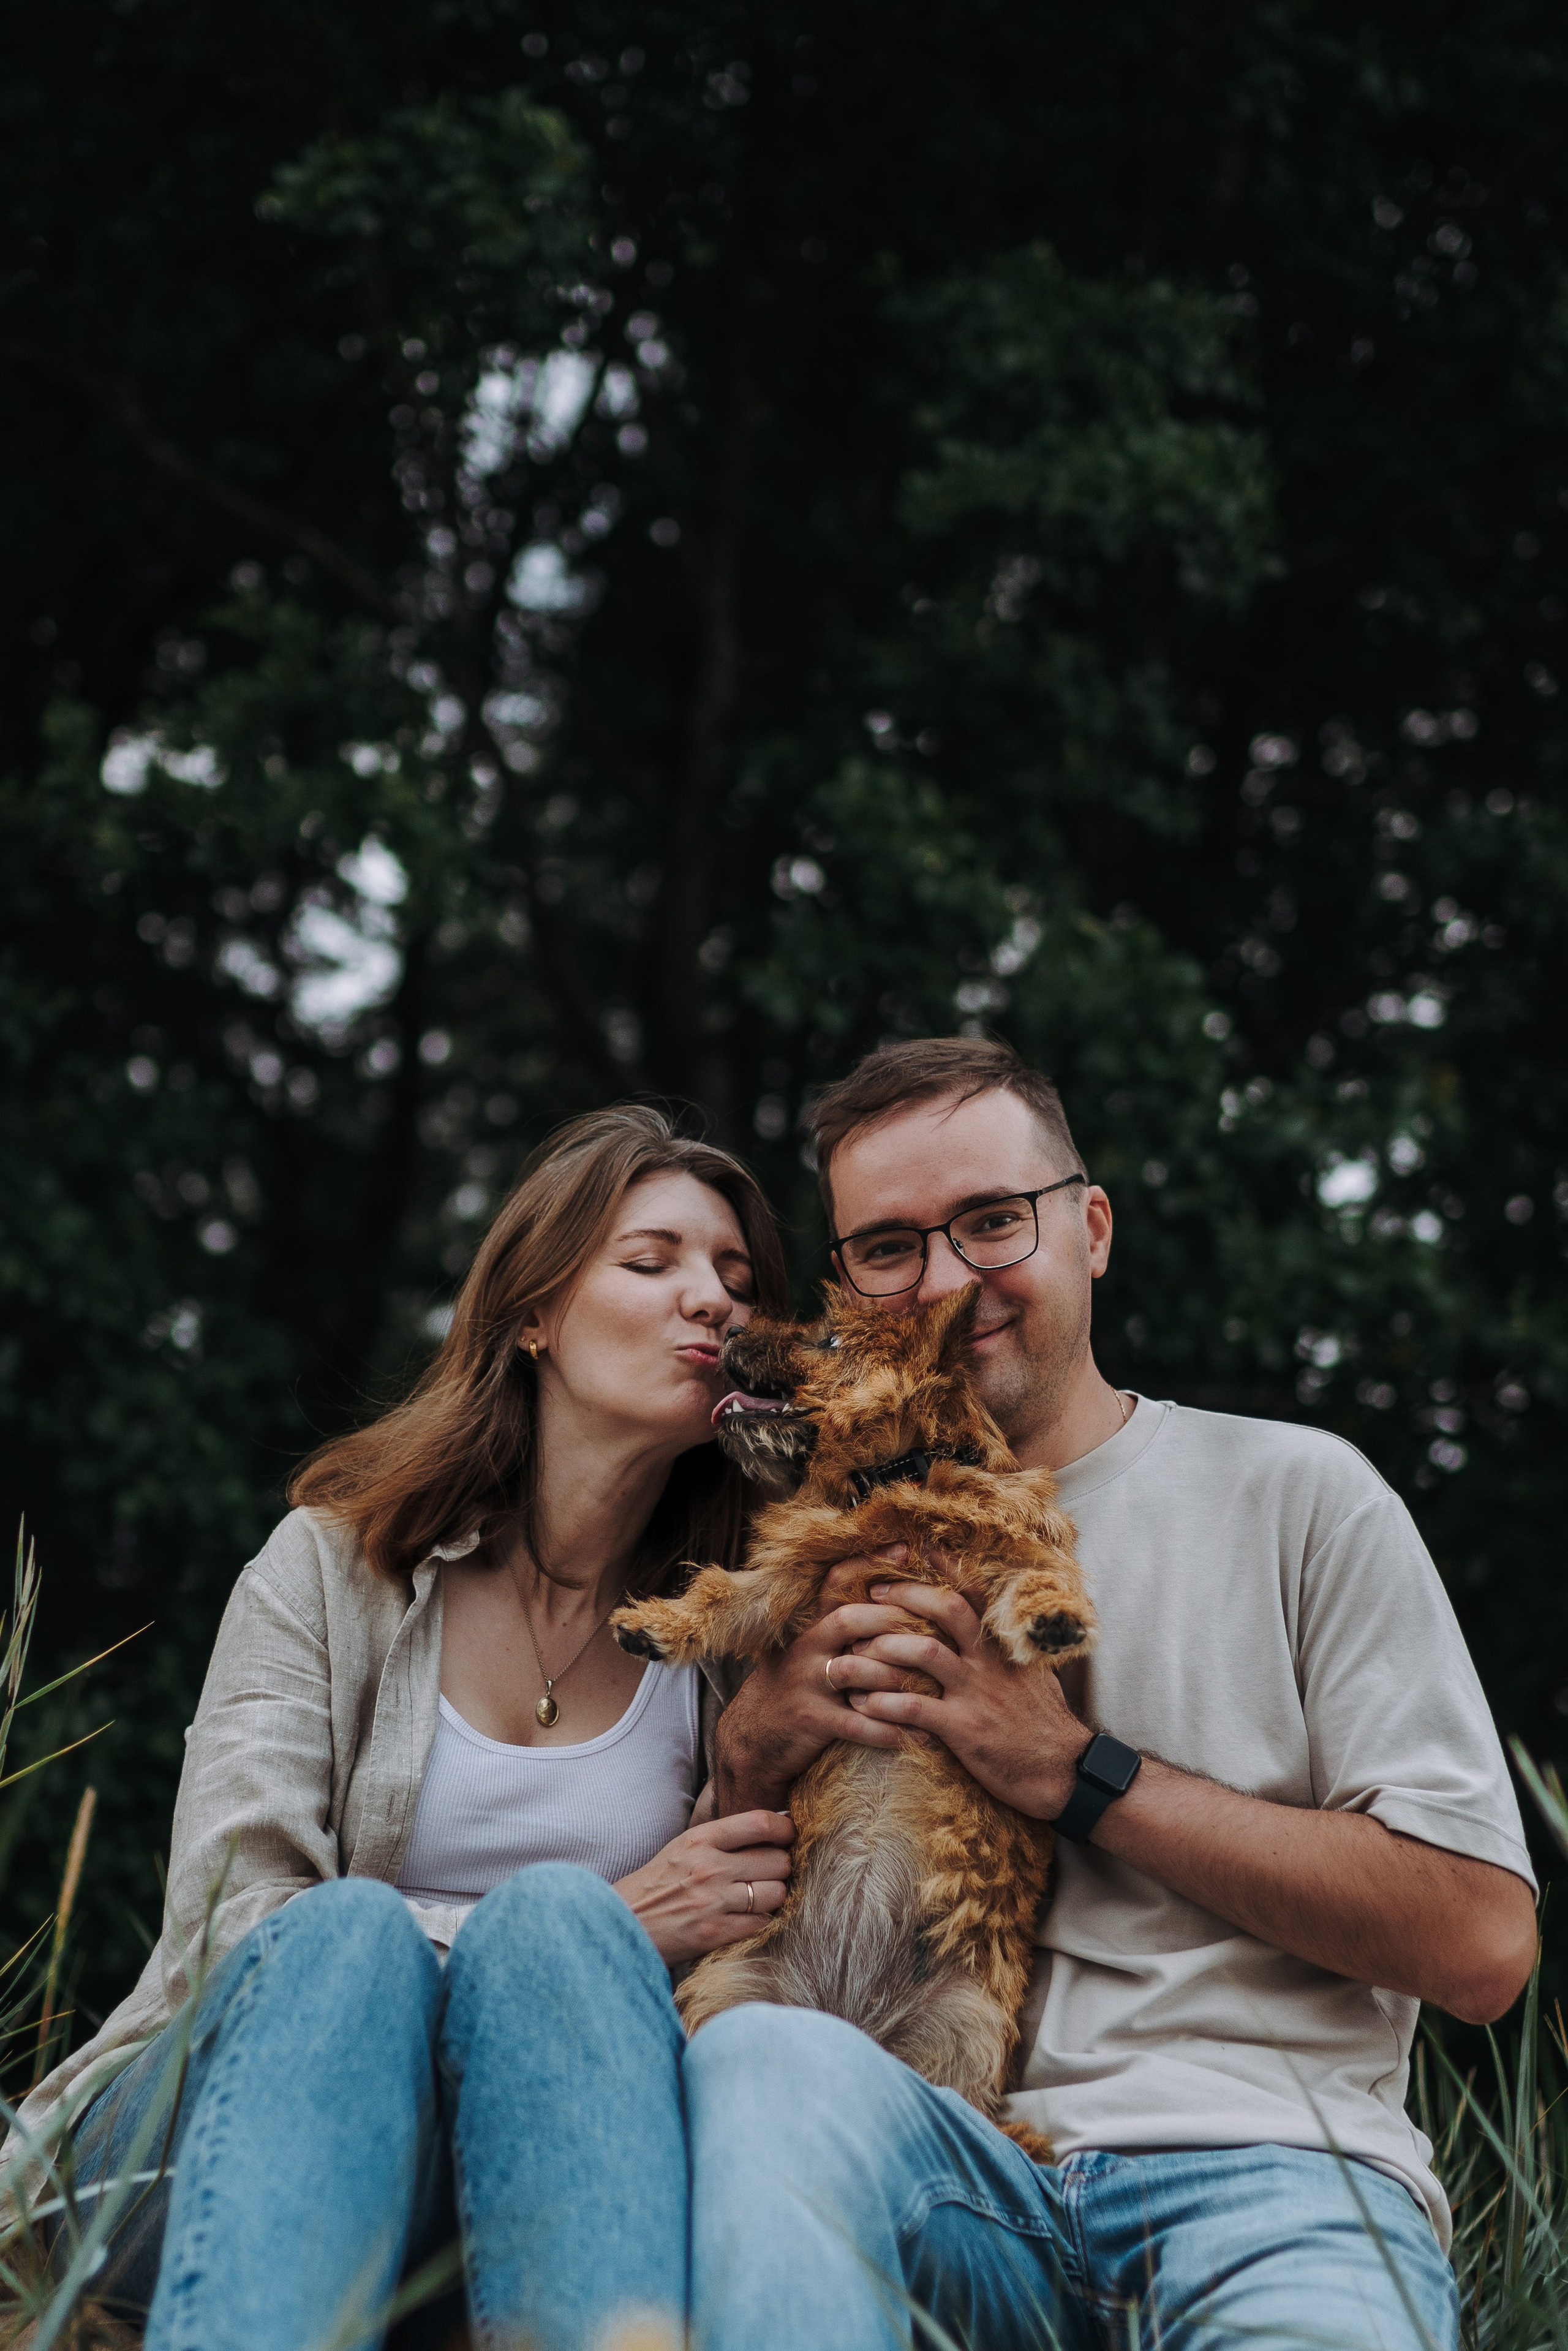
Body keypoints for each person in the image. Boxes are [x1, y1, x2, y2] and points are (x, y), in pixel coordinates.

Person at [689, 1035, 1538, 2351]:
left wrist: (1080, 1771)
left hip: (1268, 2173)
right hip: (949, 2159)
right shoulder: (811, 1545)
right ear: (846, 1286)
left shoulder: (1294, 1495)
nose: (945, 1281)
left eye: (989, 1221)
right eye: (887, 1246)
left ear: (1088, 1227)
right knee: (757, 2066)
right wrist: (747, 1755)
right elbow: (733, 1933)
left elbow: (1479, 1942)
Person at [4, 1105, 797, 2351]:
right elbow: (240, 1923)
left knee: (553, 1938)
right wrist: (620, 1917)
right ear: (532, 1312)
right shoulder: (331, 1567)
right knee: (358, 1937)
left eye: (736, 1279)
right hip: (204, 2133)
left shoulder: (740, 1643)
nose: (712, 1301)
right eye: (652, 1262)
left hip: (530, 2167)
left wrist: (576, 1943)